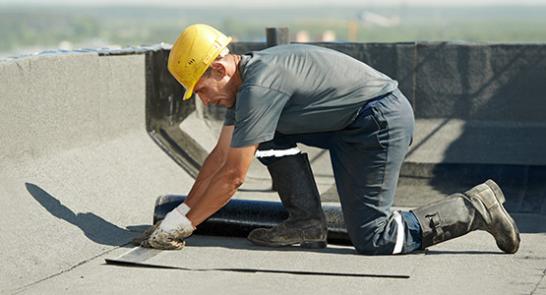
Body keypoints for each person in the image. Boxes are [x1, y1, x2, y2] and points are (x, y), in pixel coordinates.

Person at [140, 24, 520, 255]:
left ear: (220, 68)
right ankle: (306, 222)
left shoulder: (260, 86)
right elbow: (219, 159)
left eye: (203, 89)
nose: (205, 100)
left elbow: (232, 178)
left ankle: (473, 209)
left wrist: (183, 227)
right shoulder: (246, 87)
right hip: (349, 124)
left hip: (378, 123)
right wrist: (179, 214)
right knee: (261, 135)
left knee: (375, 238)